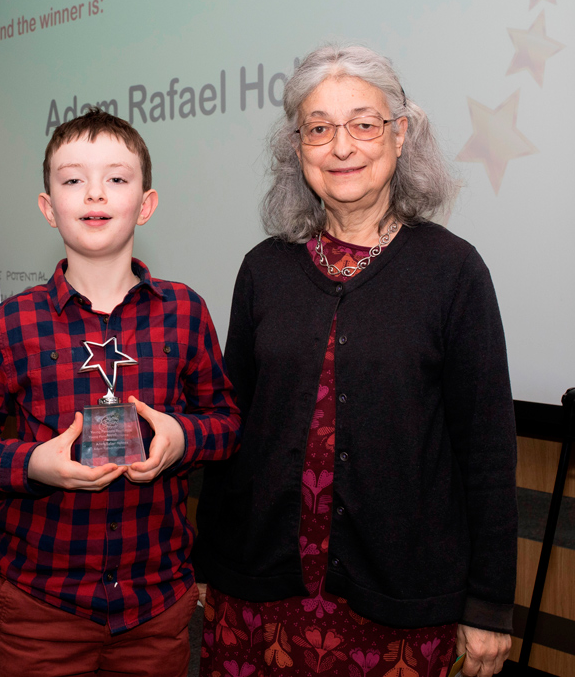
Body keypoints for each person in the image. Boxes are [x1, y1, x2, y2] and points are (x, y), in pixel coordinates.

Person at [194, 45, 516, 677]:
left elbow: (485, 450)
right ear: (297, 148)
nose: (341, 147)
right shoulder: (263, 269)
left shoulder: (453, 271)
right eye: (319, 128)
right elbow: (232, 427)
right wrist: (210, 560)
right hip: (259, 591)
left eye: (364, 124)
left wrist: (488, 606)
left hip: (396, 604)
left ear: (400, 136)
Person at [0, 108, 241, 677]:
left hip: (156, 606)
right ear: (49, 208)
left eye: (117, 179)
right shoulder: (9, 325)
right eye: (73, 179)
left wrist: (180, 437)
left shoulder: (186, 312)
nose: (95, 193)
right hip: (42, 606)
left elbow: (225, 421)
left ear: (145, 204)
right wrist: (30, 464)